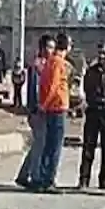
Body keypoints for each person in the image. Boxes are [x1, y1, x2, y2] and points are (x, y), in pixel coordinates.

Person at [15, 35, 55, 189]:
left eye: (53, 48)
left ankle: (23, 174)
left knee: (38, 144)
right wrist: (35, 108)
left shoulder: (48, 65)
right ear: (42, 48)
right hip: (38, 111)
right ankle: (35, 176)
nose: (51, 51)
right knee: (40, 144)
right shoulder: (37, 66)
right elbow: (34, 89)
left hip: (44, 110)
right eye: (49, 47)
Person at [35, 32, 71, 193]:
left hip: (52, 107)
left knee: (49, 145)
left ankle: (44, 177)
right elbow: (53, 86)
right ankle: (48, 180)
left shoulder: (51, 61)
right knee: (54, 147)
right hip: (56, 108)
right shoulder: (57, 62)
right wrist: (44, 104)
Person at [78, 42, 105, 190]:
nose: (102, 56)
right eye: (100, 53)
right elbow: (87, 89)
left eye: (104, 53)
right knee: (88, 148)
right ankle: (84, 179)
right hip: (93, 112)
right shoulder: (91, 71)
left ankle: (104, 179)